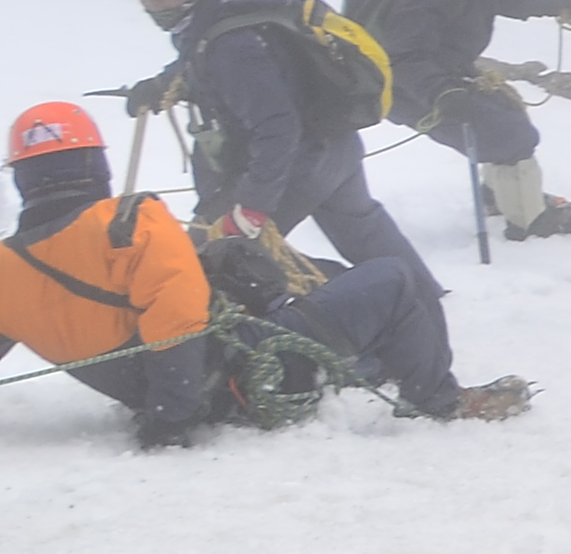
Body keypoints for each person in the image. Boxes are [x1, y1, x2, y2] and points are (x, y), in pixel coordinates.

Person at [4, 101, 518, 432]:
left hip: (198, 383)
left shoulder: (7, 267)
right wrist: (173, 418)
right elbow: (176, 322)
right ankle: (444, 402)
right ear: (97, 165)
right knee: (393, 279)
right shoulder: (132, 220)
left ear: (22, 179)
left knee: (319, 277)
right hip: (242, 377)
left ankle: (367, 367)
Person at [115, 0, 426, 281]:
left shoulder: (231, 46)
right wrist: (164, 83)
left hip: (294, 164)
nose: (152, 3)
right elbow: (207, 55)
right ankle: (419, 299)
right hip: (334, 143)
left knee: (216, 262)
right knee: (363, 230)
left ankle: (346, 303)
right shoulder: (225, 4)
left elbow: (277, 126)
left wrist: (252, 207)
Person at [355, 0, 571, 241]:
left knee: (504, 114)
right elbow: (404, 55)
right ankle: (530, 223)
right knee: (512, 136)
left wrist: (547, 6)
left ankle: (500, 196)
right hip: (404, 84)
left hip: (434, 73)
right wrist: (441, 91)